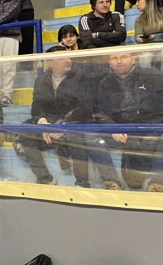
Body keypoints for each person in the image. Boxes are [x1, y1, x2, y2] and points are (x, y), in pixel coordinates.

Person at [14, 47, 121, 188]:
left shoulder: (81, 77)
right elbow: (37, 107)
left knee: (83, 139)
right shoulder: (40, 80)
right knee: (24, 135)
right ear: (50, 62)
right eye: (62, 58)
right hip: (51, 126)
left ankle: (91, 182)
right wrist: (43, 122)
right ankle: (44, 178)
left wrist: (63, 126)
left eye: (69, 57)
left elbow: (84, 107)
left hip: (75, 123)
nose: (68, 60)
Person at [94, 52, 163, 191]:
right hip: (122, 132)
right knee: (133, 184)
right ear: (109, 63)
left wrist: (153, 128)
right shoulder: (104, 84)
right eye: (114, 58)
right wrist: (112, 128)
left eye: (123, 57)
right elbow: (100, 112)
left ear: (133, 59)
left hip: (152, 127)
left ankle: (158, 181)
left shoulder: (152, 75)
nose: (119, 61)